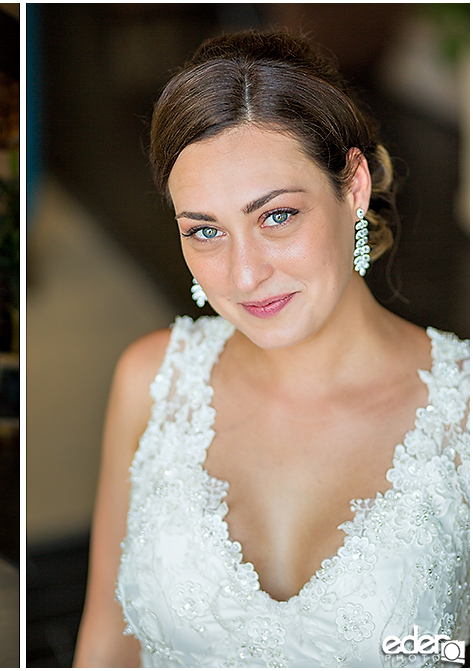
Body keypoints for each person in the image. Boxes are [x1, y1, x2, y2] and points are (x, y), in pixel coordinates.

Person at [73, 30, 469, 668]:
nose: (244, 273)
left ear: (356, 187)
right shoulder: (152, 381)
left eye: (277, 216)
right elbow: (106, 645)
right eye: (205, 231)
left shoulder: (465, 414)